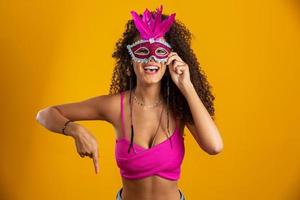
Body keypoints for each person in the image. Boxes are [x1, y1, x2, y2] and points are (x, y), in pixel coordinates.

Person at [36, 5, 223, 200]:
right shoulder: (116, 106)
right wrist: (75, 130)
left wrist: (187, 86)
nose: (151, 58)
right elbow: (45, 114)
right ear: (130, 60)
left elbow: (214, 146)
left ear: (169, 59)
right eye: (142, 51)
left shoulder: (179, 105)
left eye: (159, 51)